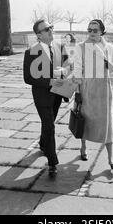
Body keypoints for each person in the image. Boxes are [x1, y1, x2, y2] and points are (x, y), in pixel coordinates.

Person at [23, 20, 70, 178]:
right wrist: (49, 81)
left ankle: (43, 143)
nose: (51, 30)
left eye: (51, 27)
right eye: (46, 29)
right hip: (42, 95)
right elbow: (28, 78)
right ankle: (52, 162)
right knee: (49, 125)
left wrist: (63, 70)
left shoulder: (60, 46)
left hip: (58, 93)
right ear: (39, 35)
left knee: (49, 124)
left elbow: (69, 65)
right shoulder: (31, 51)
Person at [73, 19, 113, 169]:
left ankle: (111, 158)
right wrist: (78, 92)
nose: (92, 33)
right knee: (84, 121)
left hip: (104, 92)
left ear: (102, 32)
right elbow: (77, 70)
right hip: (87, 89)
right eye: (89, 30)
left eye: (95, 30)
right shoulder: (80, 47)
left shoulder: (110, 48)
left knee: (107, 125)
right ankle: (83, 148)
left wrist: (109, 66)